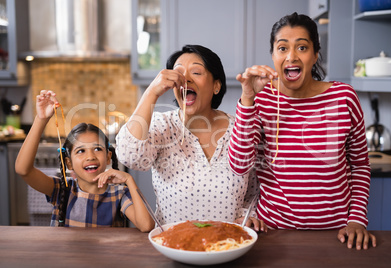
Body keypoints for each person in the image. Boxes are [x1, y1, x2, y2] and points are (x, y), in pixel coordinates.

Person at [228, 12, 377, 250]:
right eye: (283, 48)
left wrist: (357, 220)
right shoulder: (262, 98)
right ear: (273, 55)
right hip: (273, 232)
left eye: (302, 47)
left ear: (315, 54)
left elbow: (360, 165)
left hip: (337, 234)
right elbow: (239, 164)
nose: (292, 56)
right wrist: (247, 97)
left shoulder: (344, 97)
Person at [116, 44, 265, 231]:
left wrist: (249, 216)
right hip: (173, 245)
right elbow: (129, 156)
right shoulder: (162, 126)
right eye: (178, 73)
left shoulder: (242, 128)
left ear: (216, 86)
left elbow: (254, 190)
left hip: (229, 244)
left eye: (196, 72)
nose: (185, 79)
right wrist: (151, 92)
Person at [15, 90, 154, 230]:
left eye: (97, 149)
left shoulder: (119, 193)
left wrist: (129, 180)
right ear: (69, 163)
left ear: (108, 158)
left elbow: (146, 226)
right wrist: (41, 119)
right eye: (81, 151)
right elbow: (23, 170)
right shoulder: (62, 189)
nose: (90, 156)